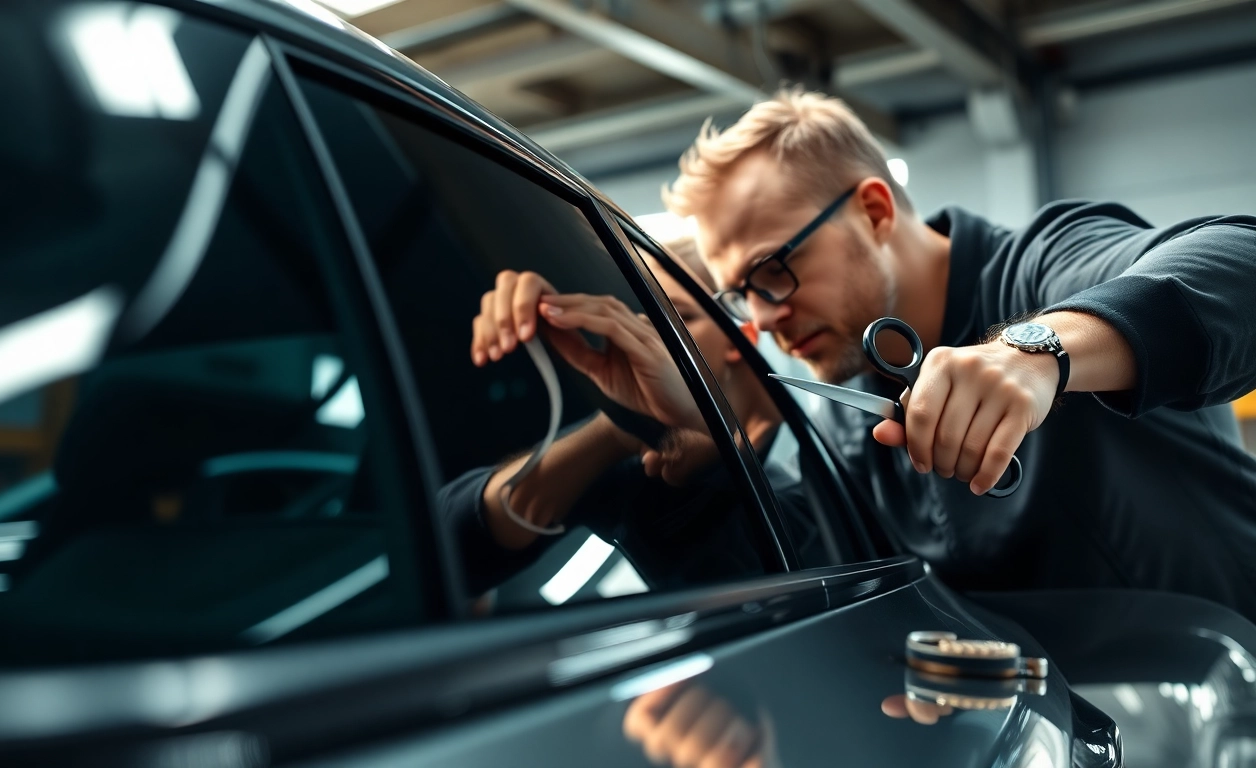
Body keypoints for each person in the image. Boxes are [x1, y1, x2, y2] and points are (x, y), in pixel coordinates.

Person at [659, 86, 1256, 617]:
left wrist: (1035, 354)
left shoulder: (1041, 266)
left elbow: (1239, 260)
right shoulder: (848, 411)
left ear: (873, 212)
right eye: (741, 296)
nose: (762, 317)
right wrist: (688, 474)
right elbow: (818, 583)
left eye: (771, 271)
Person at [442, 243, 822, 600]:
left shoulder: (806, 481)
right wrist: (621, 427)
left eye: (678, 316)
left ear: (742, 337)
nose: (650, 337)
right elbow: (448, 553)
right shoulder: (634, 461)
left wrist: (699, 446)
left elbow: (755, 572)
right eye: (638, 317)